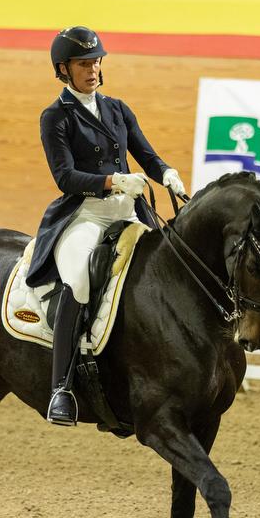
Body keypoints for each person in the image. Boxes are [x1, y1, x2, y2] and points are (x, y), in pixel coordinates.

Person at [29, 26, 187, 427]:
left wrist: (166, 172)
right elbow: (64, 177)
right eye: (84, 63)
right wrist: (113, 181)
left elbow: (145, 154)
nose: (93, 68)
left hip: (128, 210)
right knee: (79, 281)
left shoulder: (117, 108)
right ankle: (61, 388)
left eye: (97, 60)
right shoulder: (56, 117)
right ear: (63, 69)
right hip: (85, 213)